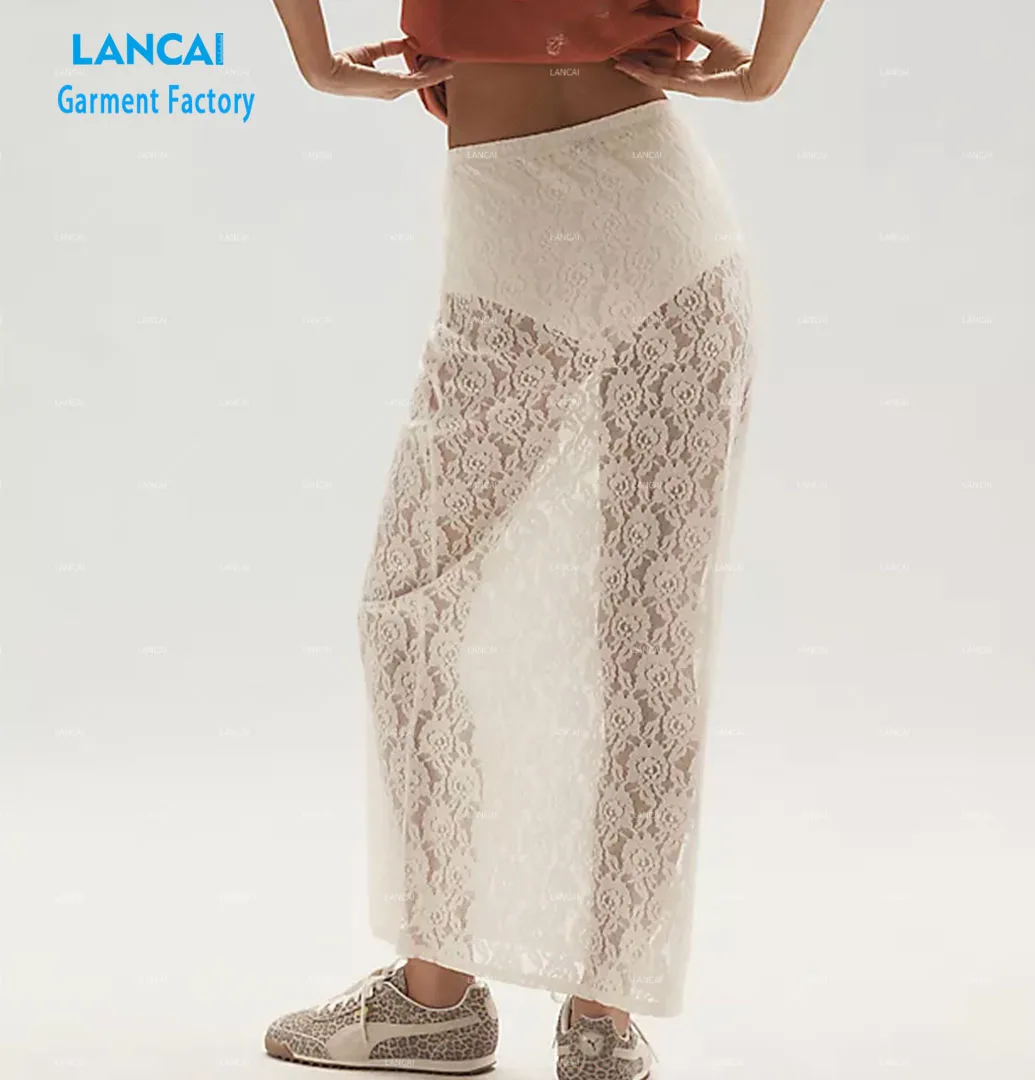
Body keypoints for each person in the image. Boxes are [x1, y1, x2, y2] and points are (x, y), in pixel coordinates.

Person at [264, 1, 825, 1076]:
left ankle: (569, 1008)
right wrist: (765, 68)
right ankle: (485, 998)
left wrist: (318, 59)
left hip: (644, 241)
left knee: (633, 637)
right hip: (577, 240)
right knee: (435, 616)